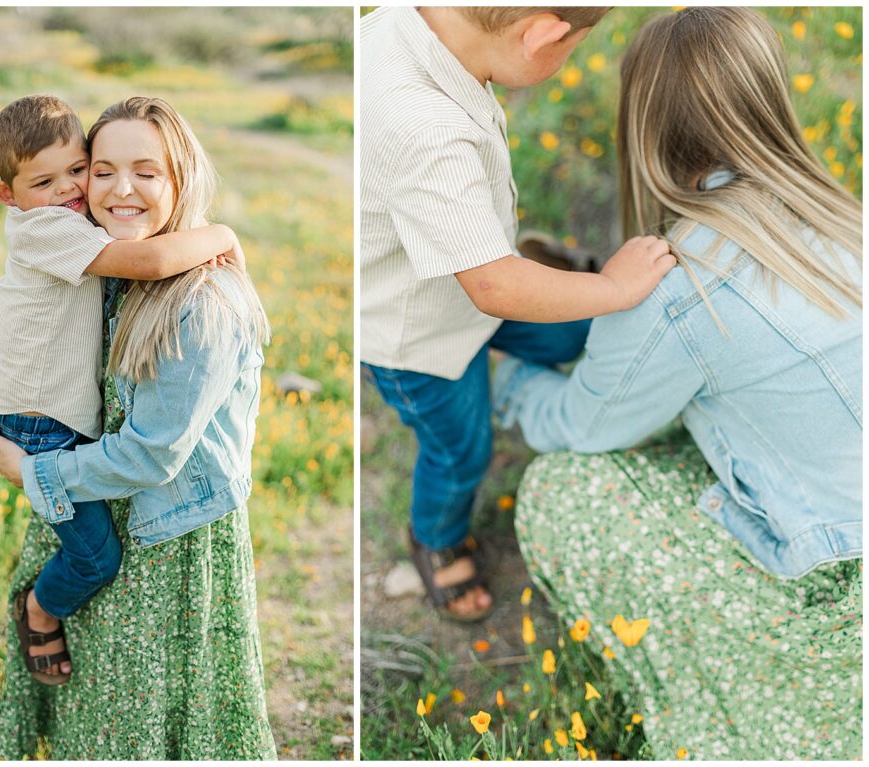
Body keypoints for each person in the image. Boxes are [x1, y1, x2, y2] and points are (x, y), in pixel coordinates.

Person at [494, 8, 861, 759]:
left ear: (644, 125)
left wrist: (509, 379)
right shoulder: (843, 218)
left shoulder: (685, 282)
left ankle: (763, 699)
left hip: (842, 602)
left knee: (563, 489)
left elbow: (582, 425)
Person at [0, 97, 276, 759]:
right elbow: (44, 345)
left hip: (171, 526)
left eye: (145, 171)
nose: (111, 189)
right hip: (103, 489)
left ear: (181, 178)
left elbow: (152, 455)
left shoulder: (201, 300)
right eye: (102, 169)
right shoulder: (113, 265)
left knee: (157, 707)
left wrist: (33, 470)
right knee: (110, 697)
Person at [360, 5, 675, 620]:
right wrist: (613, 289)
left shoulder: (421, 23)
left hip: (476, 271)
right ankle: (436, 537)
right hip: (420, 335)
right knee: (460, 449)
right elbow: (493, 287)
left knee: (564, 339)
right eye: (576, 47)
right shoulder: (422, 126)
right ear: (543, 35)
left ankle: (533, 264)